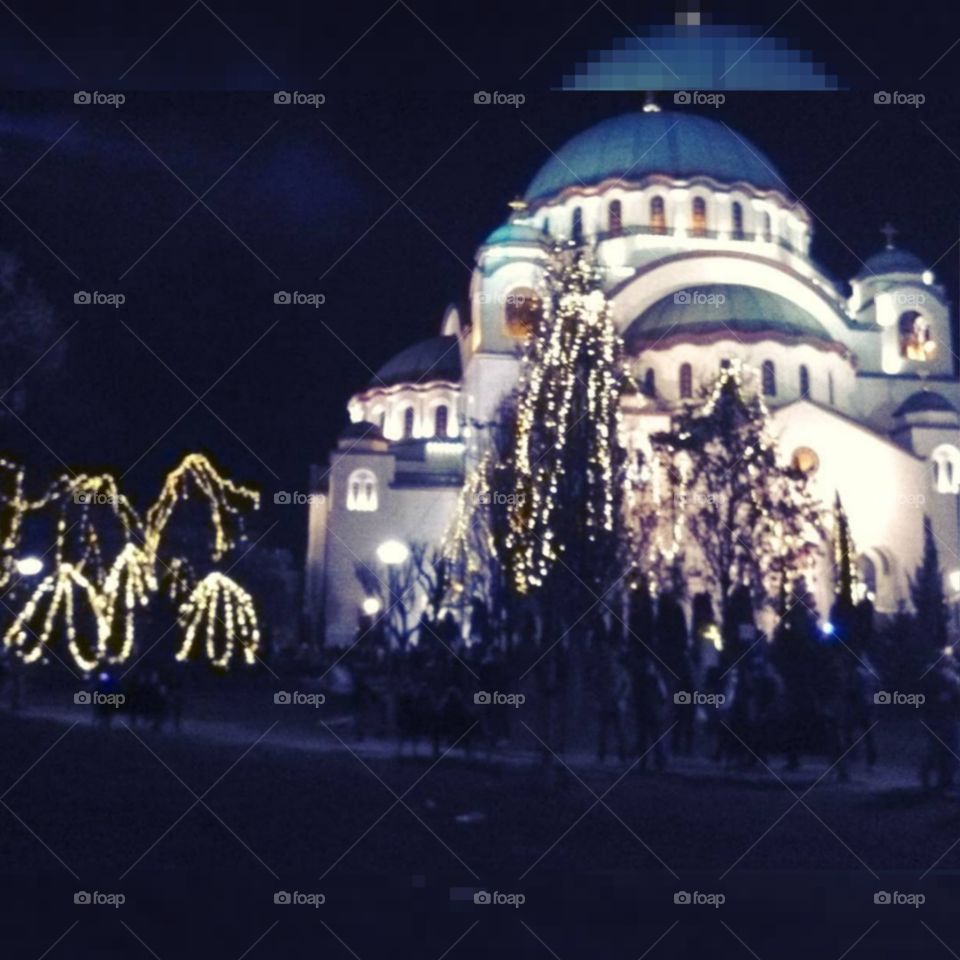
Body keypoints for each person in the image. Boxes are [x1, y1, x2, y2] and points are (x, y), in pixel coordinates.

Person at [920, 654, 960, 791]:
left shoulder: (951, 673)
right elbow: (928, 695)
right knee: (937, 749)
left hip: (950, 716)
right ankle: (929, 777)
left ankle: (946, 780)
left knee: (951, 749)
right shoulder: (932, 675)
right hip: (938, 717)